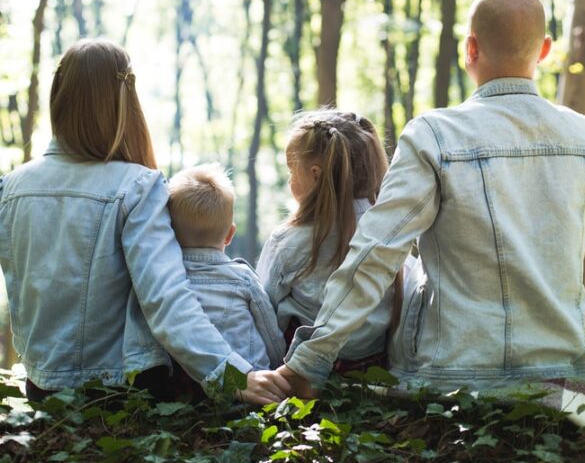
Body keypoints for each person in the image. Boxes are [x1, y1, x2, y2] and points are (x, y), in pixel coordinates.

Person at [277, 0, 585, 396]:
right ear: (545, 51)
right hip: (566, 380)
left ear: (470, 48)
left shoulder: (435, 135)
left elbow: (376, 253)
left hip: (453, 378)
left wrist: (310, 360)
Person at [0, 38, 290, 405]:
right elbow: (166, 299)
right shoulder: (137, 186)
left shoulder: (11, 186)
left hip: (42, 389)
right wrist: (232, 375)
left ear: (59, 95)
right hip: (119, 393)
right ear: (125, 102)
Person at [256, 109, 410, 372]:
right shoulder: (390, 233)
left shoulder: (288, 241)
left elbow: (263, 310)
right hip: (372, 367)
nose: (291, 181)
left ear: (315, 174)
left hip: (303, 372)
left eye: (292, 172)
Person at [167, 163, 285, 370]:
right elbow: (269, 332)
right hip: (249, 379)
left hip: (187, 385)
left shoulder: (164, 279)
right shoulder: (243, 278)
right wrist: (278, 366)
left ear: (169, 232)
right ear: (230, 235)